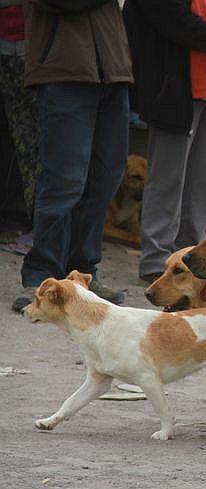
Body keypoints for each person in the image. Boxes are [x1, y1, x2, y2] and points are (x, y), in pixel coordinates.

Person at [13, 0, 132, 312]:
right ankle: (43, 276)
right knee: (63, 182)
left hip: (112, 71)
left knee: (105, 178)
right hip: (64, 72)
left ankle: (83, 273)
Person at [123, 0, 206, 283]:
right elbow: (172, 18)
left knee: (202, 181)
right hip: (174, 91)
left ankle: (192, 257)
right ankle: (157, 260)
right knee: (167, 179)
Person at [0, 0, 38, 241]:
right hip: (14, 46)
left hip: (30, 46)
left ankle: (21, 216)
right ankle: (16, 216)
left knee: (27, 138)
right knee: (17, 136)